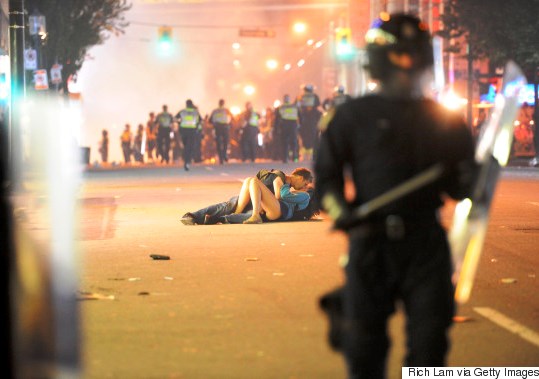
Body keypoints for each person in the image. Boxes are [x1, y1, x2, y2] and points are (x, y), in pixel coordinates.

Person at [314, 13, 476, 378]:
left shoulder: (446, 121)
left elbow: (458, 188)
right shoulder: (351, 116)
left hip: (426, 246)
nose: (407, 63)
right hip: (370, 243)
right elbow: (326, 179)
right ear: (380, 60)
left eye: (413, 54)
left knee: (430, 348)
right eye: (399, 55)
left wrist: (473, 179)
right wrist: (342, 211)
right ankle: (345, 308)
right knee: (365, 350)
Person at [180, 167, 314, 225]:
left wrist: (281, 183)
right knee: (235, 198)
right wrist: (280, 180)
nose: (304, 187)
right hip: (258, 200)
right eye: (305, 183)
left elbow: (281, 196)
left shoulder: (302, 195)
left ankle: (250, 214)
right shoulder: (280, 176)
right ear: (300, 177)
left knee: (233, 205)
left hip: (271, 207)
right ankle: (195, 216)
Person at [297, 84, 322, 161]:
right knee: (314, 138)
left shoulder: (300, 97)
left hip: (303, 120)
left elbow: (297, 107)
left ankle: (303, 156)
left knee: (304, 138)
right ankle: (312, 156)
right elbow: (318, 105)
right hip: (313, 120)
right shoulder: (315, 96)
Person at [176, 99, 202, 171]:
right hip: (192, 131)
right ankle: (187, 161)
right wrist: (197, 128)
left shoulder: (182, 111)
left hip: (184, 131)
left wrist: (180, 123)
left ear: (186, 104)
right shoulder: (195, 112)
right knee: (190, 146)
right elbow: (200, 121)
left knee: (186, 146)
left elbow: (175, 119)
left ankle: (186, 159)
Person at [274, 94, 300, 163]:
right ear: (289, 99)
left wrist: (276, 129)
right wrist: (300, 125)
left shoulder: (280, 107)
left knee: (284, 142)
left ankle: (285, 158)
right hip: (293, 125)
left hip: (284, 125)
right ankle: (295, 157)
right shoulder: (294, 106)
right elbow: (300, 115)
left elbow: (276, 119)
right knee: (294, 141)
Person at [209, 99, 233, 164]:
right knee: (226, 141)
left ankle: (221, 158)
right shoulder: (227, 110)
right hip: (225, 127)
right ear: (224, 103)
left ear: (219, 103)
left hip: (217, 127)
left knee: (218, 143)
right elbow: (232, 118)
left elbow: (210, 120)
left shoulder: (215, 111)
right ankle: (224, 154)